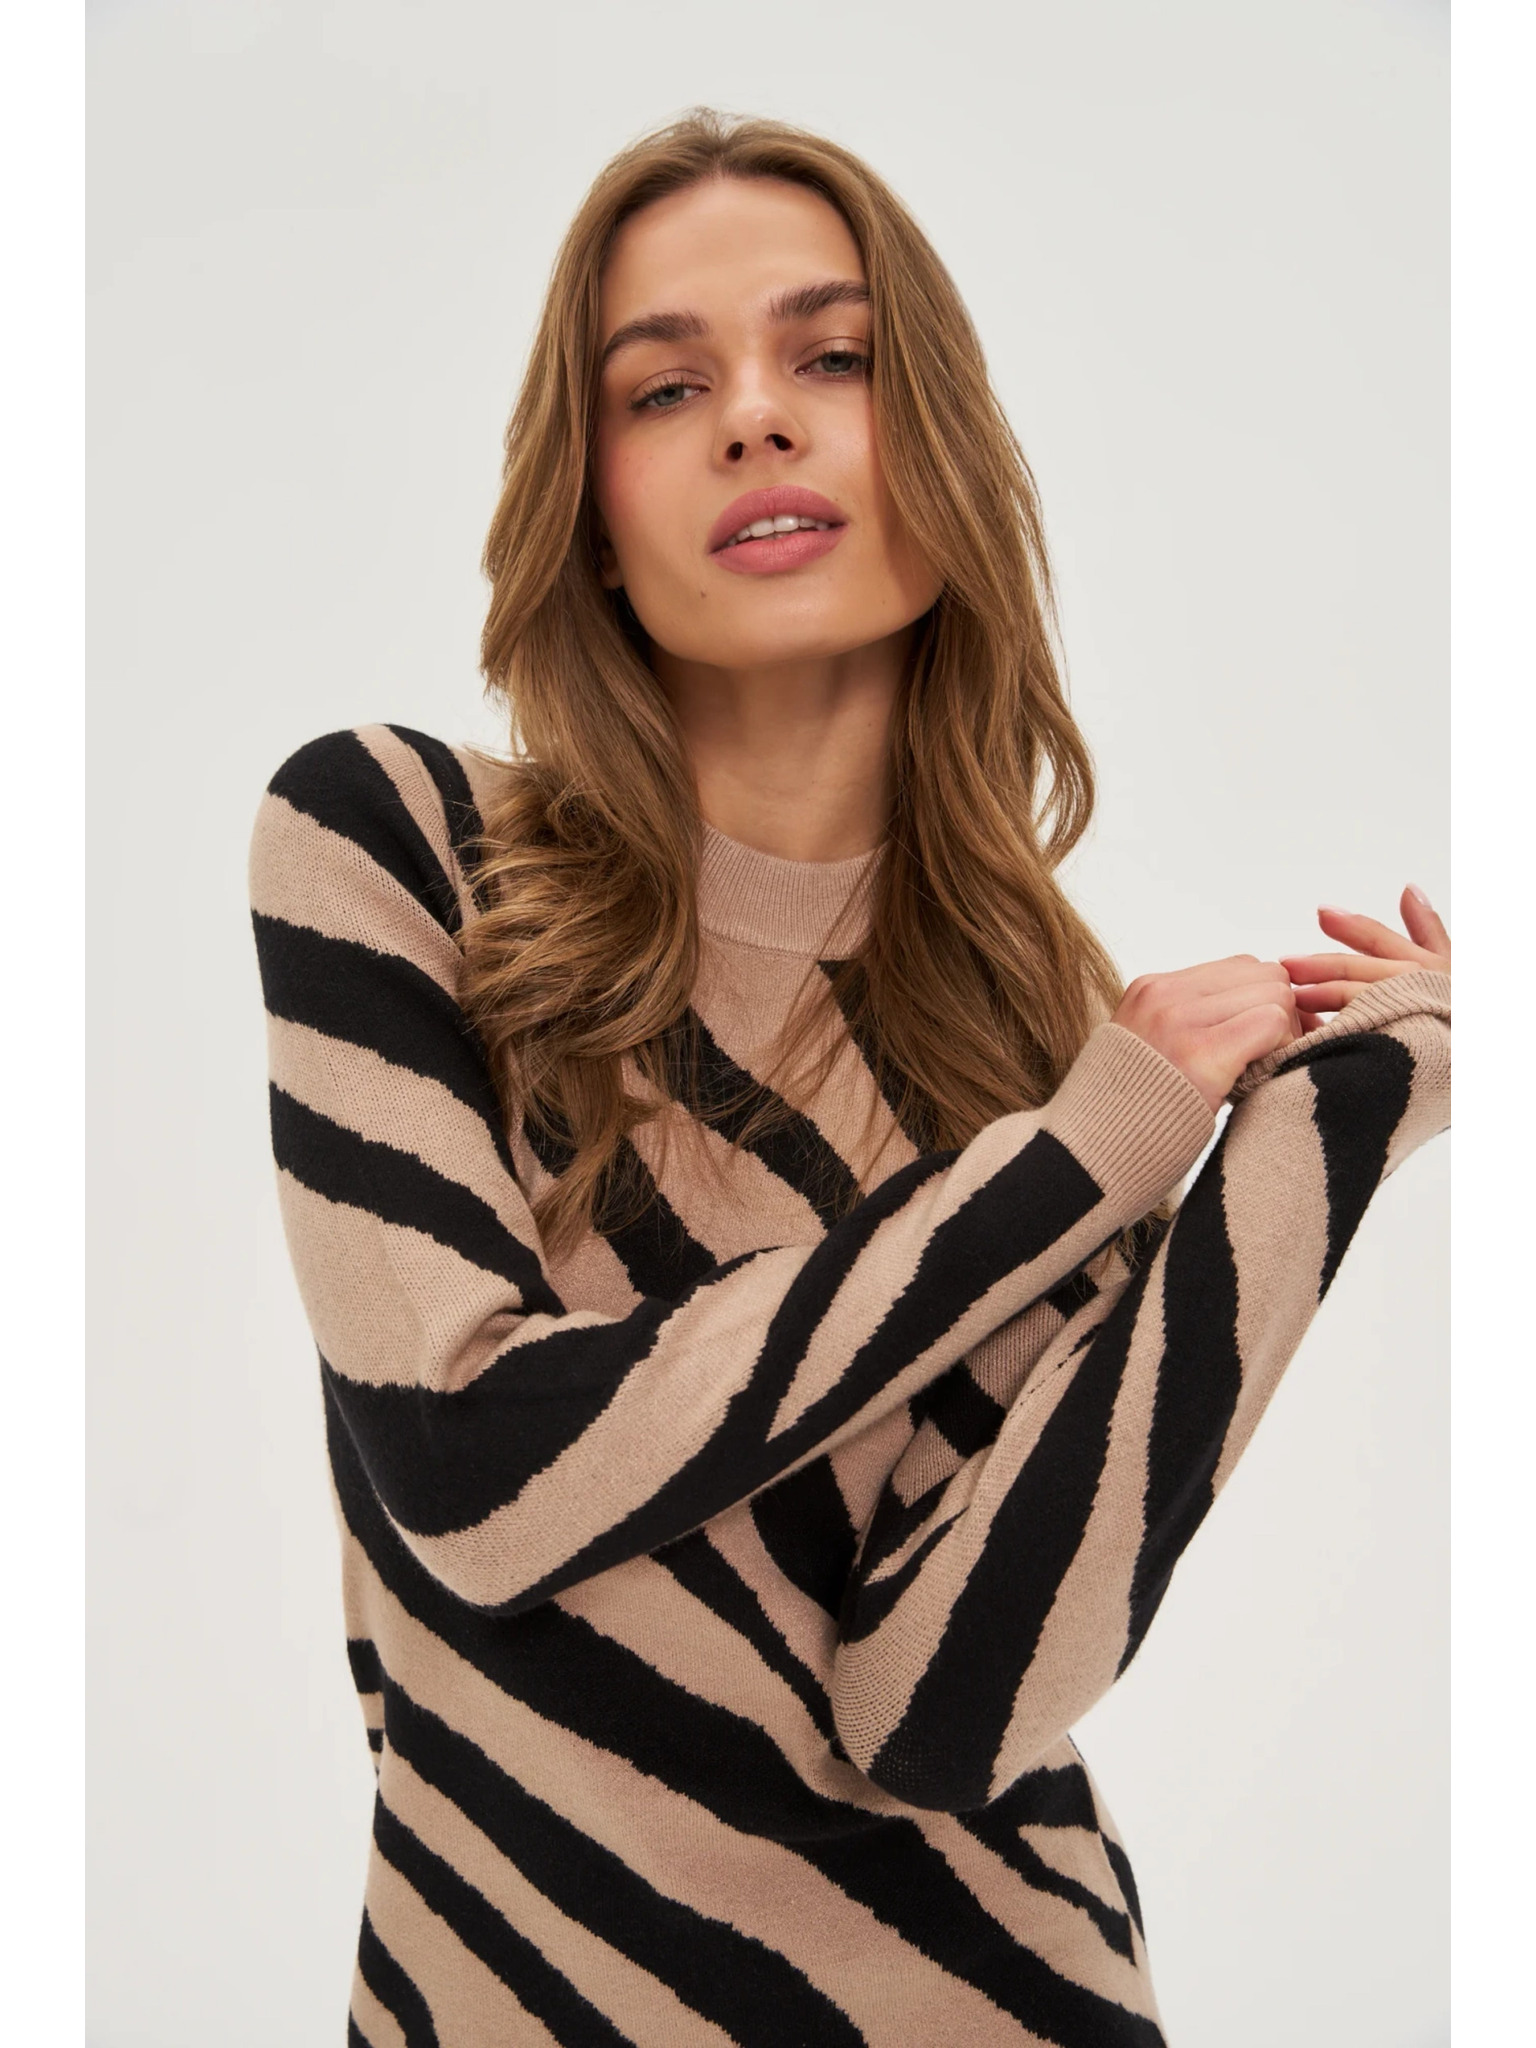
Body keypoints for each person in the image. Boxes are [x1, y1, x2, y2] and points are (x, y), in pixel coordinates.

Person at [249, 109, 1450, 2048]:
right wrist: (1078, 1159)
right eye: (664, 387)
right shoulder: (396, 846)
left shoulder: (1041, 1048)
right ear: (592, 512)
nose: (754, 417)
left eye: (834, 356)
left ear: (943, 458)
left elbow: (937, 1709)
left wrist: (1336, 1118)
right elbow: (471, 1468)